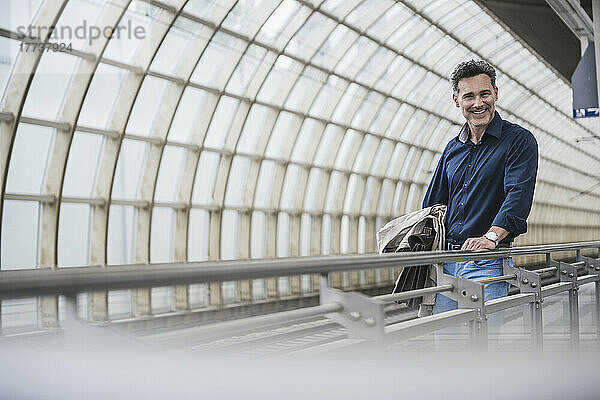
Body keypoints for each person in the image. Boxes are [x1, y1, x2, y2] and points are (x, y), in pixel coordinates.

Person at [422, 59, 538, 314]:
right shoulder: (452, 149)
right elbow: (433, 205)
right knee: (446, 344)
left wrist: (491, 238)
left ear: (496, 93)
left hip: (486, 261)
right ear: (456, 101)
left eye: (485, 93)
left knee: (482, 346)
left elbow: (518, 196)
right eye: (469, 96)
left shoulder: (518, 141)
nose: (478, 103)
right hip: (447, 261)